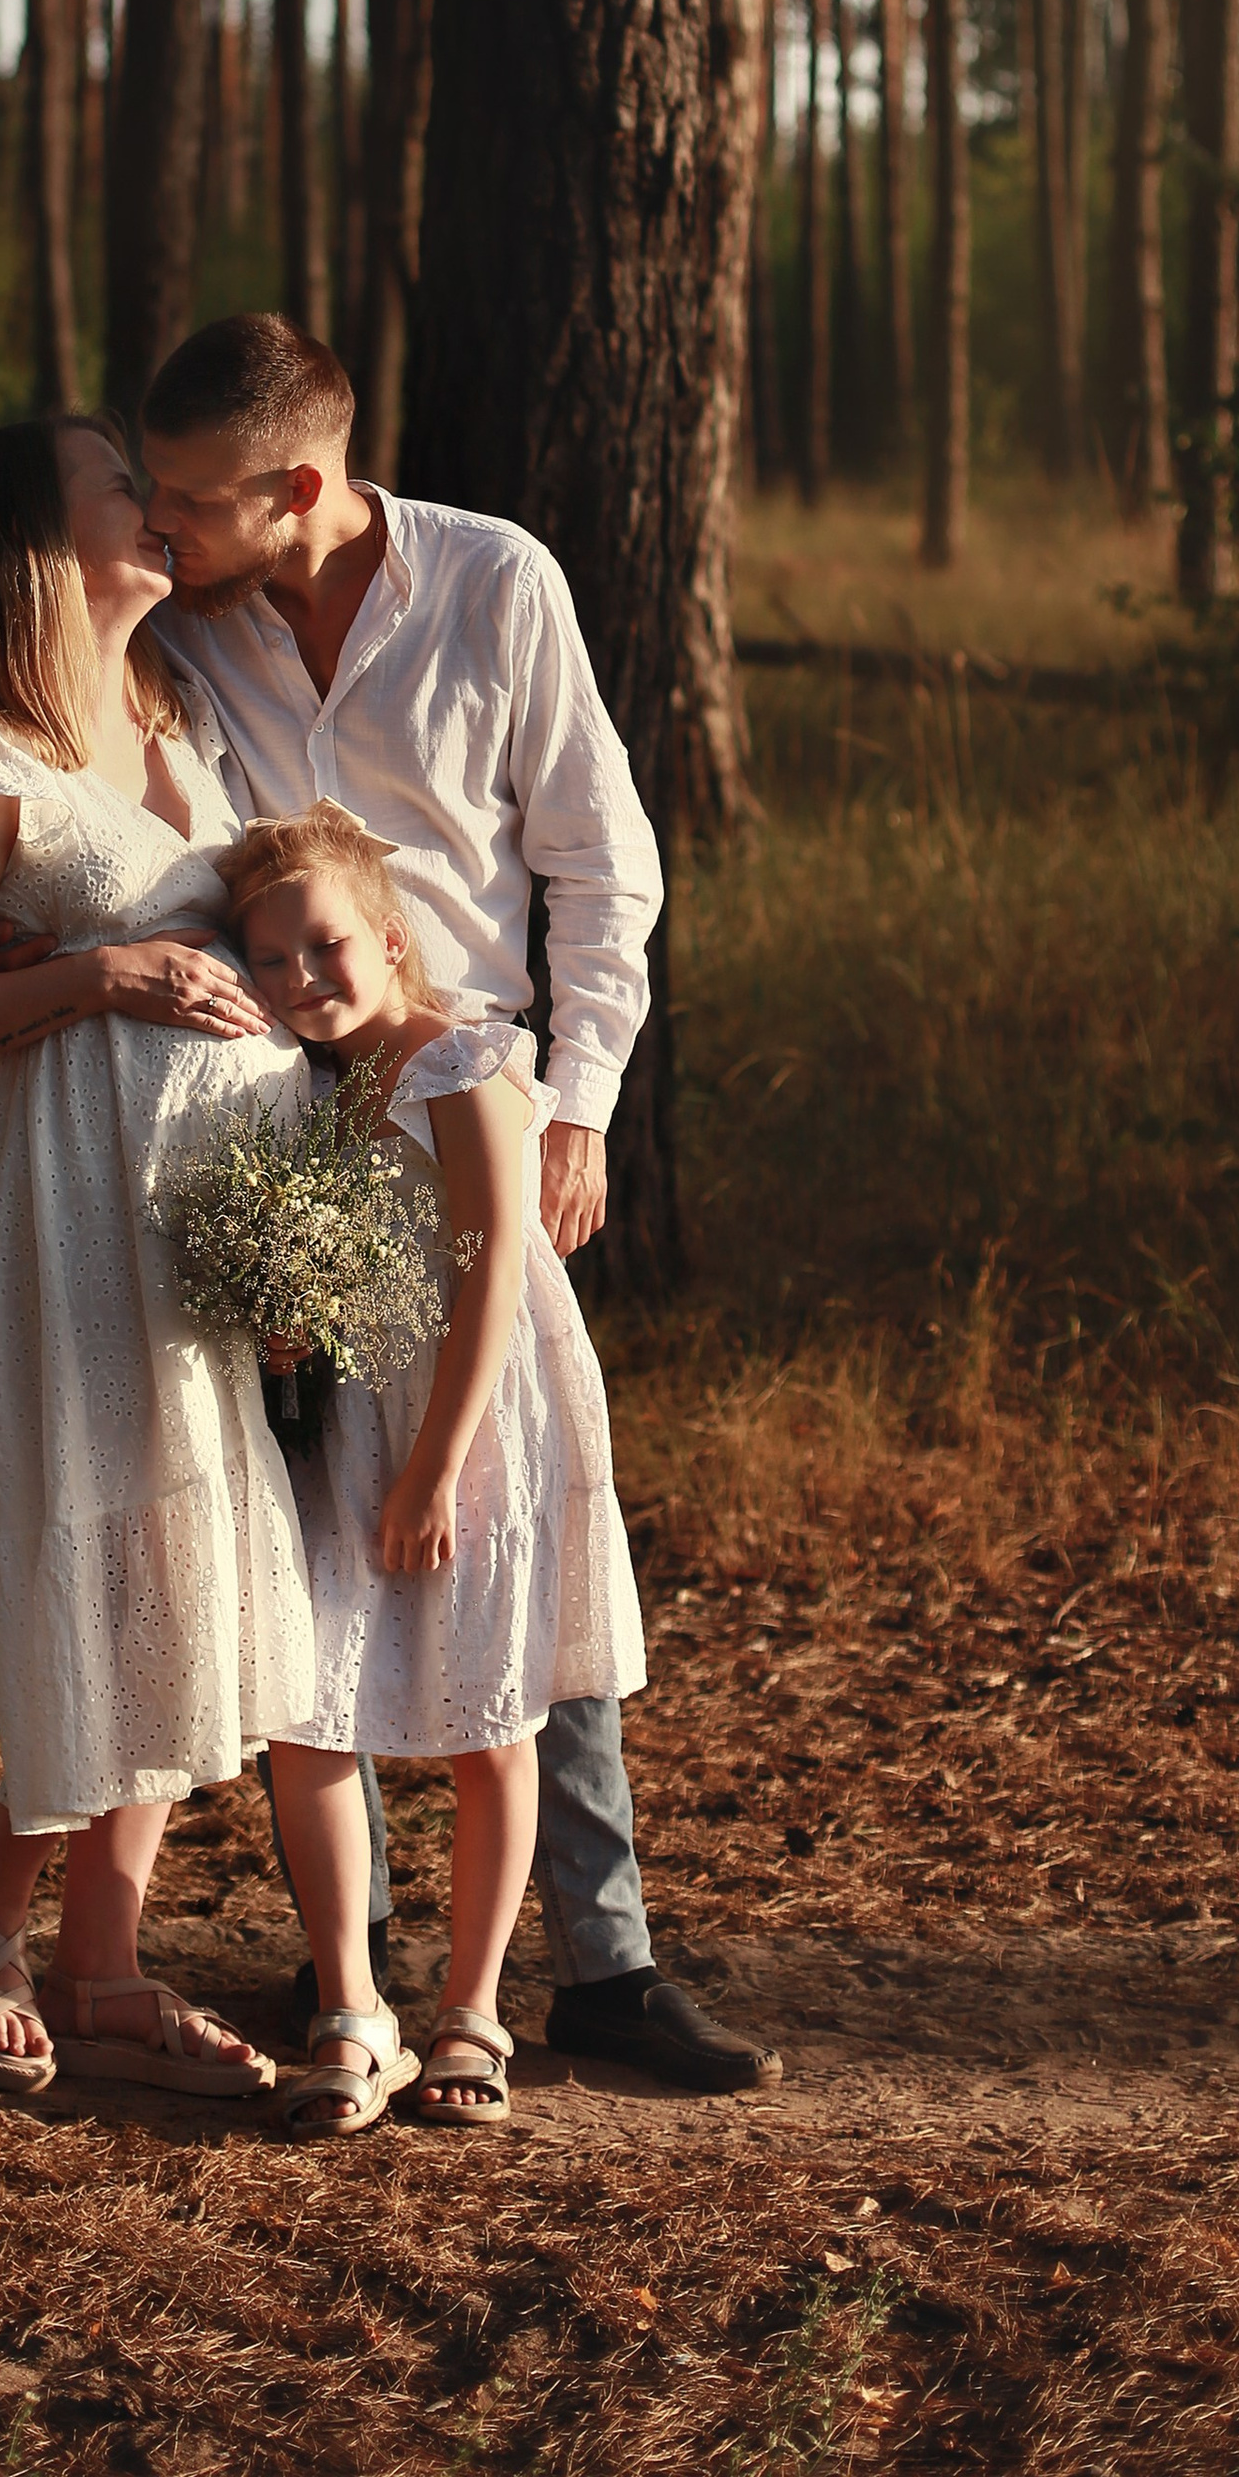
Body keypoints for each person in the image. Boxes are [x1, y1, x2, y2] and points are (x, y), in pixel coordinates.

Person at [138, 311, 775, 2096]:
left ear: (301, 485)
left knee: (518, 1514)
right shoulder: (186, 628)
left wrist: (574, 1106)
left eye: (191, 500)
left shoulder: (495, 585)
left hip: (480, 1108)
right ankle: (353, 1962)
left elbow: (599, 858)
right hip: (286, 1132)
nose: (163, 527)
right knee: (316, 1513)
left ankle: (602, 1958)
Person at [0, 413, 315, 2100]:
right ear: (51, 541)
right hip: (75, 1195)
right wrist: (91, 977)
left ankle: (103, 1959)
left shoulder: (176, 718)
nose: (157, 502)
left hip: (208, 1199)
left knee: (188, 1556)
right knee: (118, 1548)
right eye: (124, 483)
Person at [227, 806, 644, 2137]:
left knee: (490, 1710)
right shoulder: (306, 1084)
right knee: (305, 1701)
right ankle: (355, 2003)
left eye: (325, 945)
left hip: (470, 1419)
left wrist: (434, 1468)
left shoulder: (464, 1064)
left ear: (391, 937)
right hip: (355, 1409)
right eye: (270, 959)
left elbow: (490, 1282)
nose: (300, 978)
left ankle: (473, 2007)